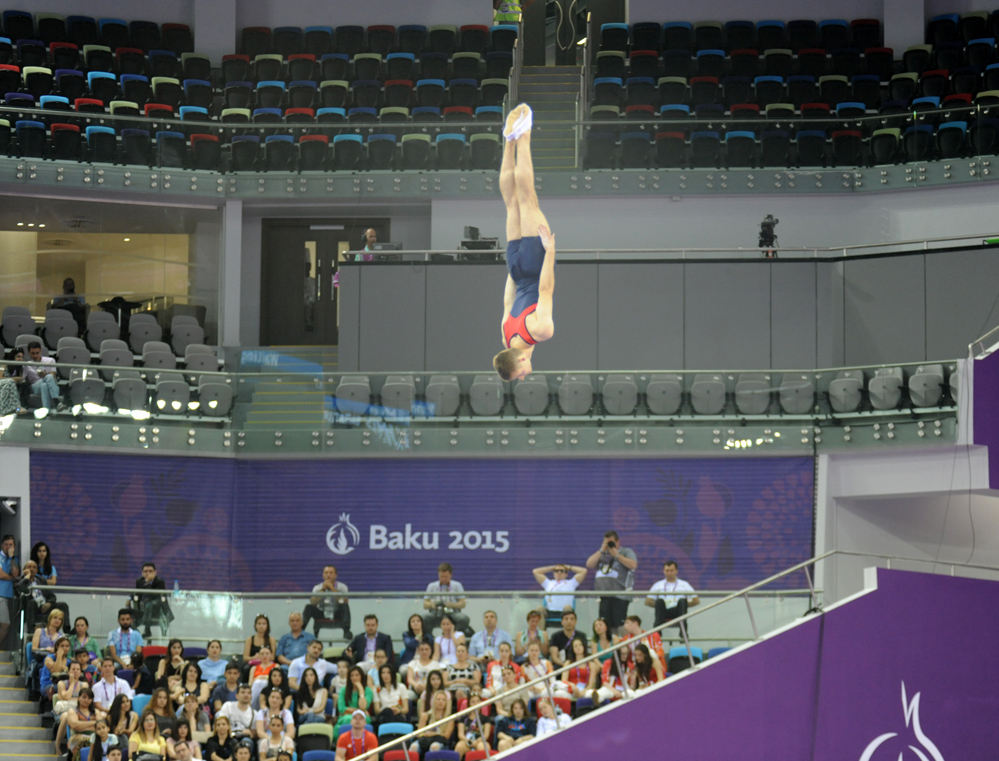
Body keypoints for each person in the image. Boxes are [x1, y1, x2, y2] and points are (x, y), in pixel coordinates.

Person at [492, 104, 557, 381]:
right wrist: (513, 268)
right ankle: (508, 142)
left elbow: (545, 289)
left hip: (532, 264)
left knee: (527, 197)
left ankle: (524, 134)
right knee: (510, 206)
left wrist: (550, 252)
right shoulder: (506, 337)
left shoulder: (540, 332)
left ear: (518, 360)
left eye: (520, 373)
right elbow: (507, 300)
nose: (524, 375)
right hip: (515, 269)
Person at [585, 530, 638, 634]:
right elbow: (589, 564)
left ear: (618, 542)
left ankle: (622, 647)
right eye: (606, 542)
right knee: (605, 625)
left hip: (620, 595)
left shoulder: (626, 551)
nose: (609, 545)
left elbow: (633, 565)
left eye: (611, 542)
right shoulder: (602, 554)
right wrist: (601, 550)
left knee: (620, 625)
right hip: (604, 596)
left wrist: (616, 555)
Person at [646, 559, 700, 637]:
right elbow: (648, 601)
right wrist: (658, 605)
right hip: (663, 611)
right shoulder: (658, 584)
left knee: (682, 601)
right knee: (659, 601)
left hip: (678, 611)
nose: (669, 573)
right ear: (663, 571)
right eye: (667, 570)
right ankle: (657, 634)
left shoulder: (684, 584)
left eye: (671, 570)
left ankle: (683, 633)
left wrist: (685, 605)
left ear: (676, 571)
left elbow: (696, 600)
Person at [302, 565, 352, 639]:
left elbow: (343, 601)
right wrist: (323, 589)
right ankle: (300, 630)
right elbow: (313, 602)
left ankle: (347, 631)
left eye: (331, 573)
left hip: (336, 612)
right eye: (326, 573)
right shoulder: (317, 587)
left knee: (344, 606)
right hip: (321, 612)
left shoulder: (342, 587)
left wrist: (332, 588)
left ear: (335, 575)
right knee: (308, 607)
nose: (328, 575)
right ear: (323, 575)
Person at [424, 563, 471, 636]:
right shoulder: (431, 586)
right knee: (423, 619)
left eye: (446, 577)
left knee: (464, 619)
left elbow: (463, 603)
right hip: (436, 613)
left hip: (452, 612)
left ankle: (454, 636)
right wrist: (432, 605)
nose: (443, 579)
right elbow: (425, 604)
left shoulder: (457, 585)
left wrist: (451, 605)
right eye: (441, 576)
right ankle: (429, 638)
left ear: (451, 575)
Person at [132, 562, 173, 639]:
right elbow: (137, 593)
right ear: (142, 573)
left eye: (150, 571)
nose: (148, 573)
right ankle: (137, 634)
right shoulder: (139, 581)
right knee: (127, 613)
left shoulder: (159, 582)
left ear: (155, 572)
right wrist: (129, 598)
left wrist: (147, 582)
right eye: (145, 571)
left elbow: (154, 595)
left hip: (157, 607)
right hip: (142, 608)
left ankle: (147, 630)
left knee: (148, 603)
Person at [408, 690, 453, 759]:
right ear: (434, 701)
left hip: (439, 741)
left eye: (443, 700)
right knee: (414, 746)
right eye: (438, 699)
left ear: (446, 703)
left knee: (434, 746)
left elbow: (446, 736)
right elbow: (419, 733)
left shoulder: (449, 718)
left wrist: (433, 734)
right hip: (425, 740)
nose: (440, 702)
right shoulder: (425, 716)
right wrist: (425, 734)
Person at [24, 341, 62, 411]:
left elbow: (53, 375)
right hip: (35, 386)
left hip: (49, 384)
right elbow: (22, 378)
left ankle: (46, 411)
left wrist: (45, 375)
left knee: (44, 385)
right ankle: (57, 402)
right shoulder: (27, 365)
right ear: (29, 353)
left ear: (40, 351)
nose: (35, 356)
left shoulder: (50, 360)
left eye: (37, 353)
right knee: (48, 377)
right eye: (33, 353)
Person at [67, 687, 103, 758]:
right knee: (85, 740)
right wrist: (94, 723)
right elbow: (75, 726)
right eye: (84, 697)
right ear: (79, 698)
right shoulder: (73, 711)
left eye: (89, 698)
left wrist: (81, 726)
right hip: (77, 737)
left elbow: (101, 726)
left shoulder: (96, 712)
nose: (86, 700)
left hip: (94, 736)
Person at [453, 691, 492, 758]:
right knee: (459, 746)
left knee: (483, 747)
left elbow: (486, 735)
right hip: (466, 741)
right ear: (469, 704)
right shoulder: (463, 718)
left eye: (477, 701)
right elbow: (460, 734)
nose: (475, 704)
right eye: (473, 702)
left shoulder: (486, 719)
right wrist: (468, 741)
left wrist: (477, 741)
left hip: (480, 741)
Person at [372, 662, 408, 727]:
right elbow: (377, 710)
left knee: (396, 717)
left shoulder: (401, 687)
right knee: (388, 712)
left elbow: (406, 709)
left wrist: (399, 711)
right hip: (383, 715)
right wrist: (388, 710)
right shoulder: (377, 689)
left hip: (398, 714)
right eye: (383, 673)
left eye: (388, 673)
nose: (386, 675)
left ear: (393, 674)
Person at [0, 534, 20, 649]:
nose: (8, 547)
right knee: (5, 624)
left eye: (10, 545)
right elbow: (1, 574)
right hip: (0, 595)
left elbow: (16, 574)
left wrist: (12, 558)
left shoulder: (14, 559)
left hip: (9, 596)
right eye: (6, 545)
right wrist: (10, 577)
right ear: (2, 545)